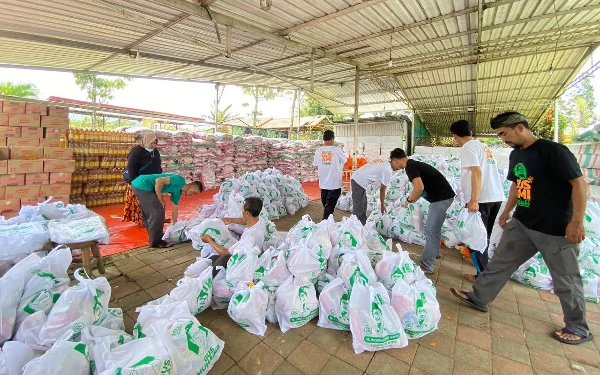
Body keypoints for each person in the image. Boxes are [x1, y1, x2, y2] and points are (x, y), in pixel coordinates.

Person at [451, 111, 592, 345]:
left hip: (555, 228)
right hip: (523, 222)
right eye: (499, 135)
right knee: (499, 263)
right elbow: (518, 184)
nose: (503, 139)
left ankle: (578, 327)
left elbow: (578, 183)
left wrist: (576, 221)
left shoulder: (553, 151)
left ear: (519, 127)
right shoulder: (516, 155)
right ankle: (478, 298)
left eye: (504, 133)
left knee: (566, 279)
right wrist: (507, 211)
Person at [450, 120, 505, 282]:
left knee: (475, 238)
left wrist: (474, 199)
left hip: (482, 199)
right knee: (483, 237)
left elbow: (476, 172)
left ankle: (483, 279)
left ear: (454, 136)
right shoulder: (482, 146)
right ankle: (483, 274)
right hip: (495, 197)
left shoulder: (468, 147)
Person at [393, 148, 456, 273]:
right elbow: (420, 187)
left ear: (395, 160)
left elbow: (419, 188)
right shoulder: (414, 164)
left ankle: (426, 266)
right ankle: (435, 253)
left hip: (441, 199)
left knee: (430, 230)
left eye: (393, 163)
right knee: (434, 229)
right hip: (445, 196)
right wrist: (410, 200)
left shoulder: (410, 167)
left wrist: (409, 201)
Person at [131, 173, 202, 248]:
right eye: (195, 192)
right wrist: (160, 198)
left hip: (141, 186)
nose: (193, 194)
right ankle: (156, 241)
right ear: (192, 186)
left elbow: (175, 208)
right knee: (157, 212)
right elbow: (159, 181)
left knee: (150, 214)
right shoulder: (180, 180)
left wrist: (175, 225)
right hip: (143, 184)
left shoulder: (178, 193)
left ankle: (155, 237)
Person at [201, 197, 266, 276]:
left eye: (242, 209)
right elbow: (246, 220)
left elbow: (225, 253)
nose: (241, 211)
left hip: (244, 263)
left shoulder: (250, 237)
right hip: (253, 250)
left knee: (218, 259)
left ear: (247, 213)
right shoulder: (259, 221)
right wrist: (230, 219)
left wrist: (209, 240)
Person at [350, 149, 404, 225]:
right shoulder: (387, 170)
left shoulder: (385, 164)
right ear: (394, 161)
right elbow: (382, 190)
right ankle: (354, 227)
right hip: (358, 181)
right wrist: (382, 205)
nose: (400, 168)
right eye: (399, 165)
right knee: (358, 208)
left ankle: (363, 226)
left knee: (363, 206)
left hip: (359, 180)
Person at [123, 133, 163, 227]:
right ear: (146, 141)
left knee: (151, 202)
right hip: (138, 182)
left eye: (154, 143)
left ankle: (150, 219)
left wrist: (159, 178)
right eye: (151, 143)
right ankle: (141, 221)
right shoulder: (137, 151)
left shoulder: (155, 152)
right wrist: (133, 182)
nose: (153, 145)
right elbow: (131, 167)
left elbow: (158, 165)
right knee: (139, 203)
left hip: (151, 182)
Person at [313, 130, 347, 220]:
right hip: (334, 183)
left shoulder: (318, 151)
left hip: (323, 184)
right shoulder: (337, 150)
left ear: (324, 139)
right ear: (332, 139)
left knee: (327, 206)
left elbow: (316, 164)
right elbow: (345, 161)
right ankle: (325, 224)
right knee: (329, 207)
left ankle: (328, 220)